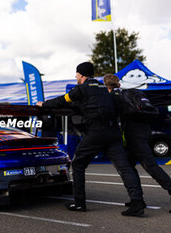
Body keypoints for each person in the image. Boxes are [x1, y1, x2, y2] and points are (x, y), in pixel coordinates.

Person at [37, 62, 145, 216]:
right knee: (125, 167)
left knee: (78, 164)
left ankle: (79, 203)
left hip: (97, 131)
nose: (75, 76)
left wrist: (44, 105)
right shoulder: (103, 88)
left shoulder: (81, 88)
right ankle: (138, 203)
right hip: (113, 132)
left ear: (81, 75)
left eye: (76, 74)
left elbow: (62, 100)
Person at [103, 74, 171, 201]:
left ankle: (138, 200)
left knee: (150, 166)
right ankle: (137, 200)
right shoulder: (130, 93)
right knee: (128, 166)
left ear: (106, 86)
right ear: (119, 84)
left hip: (134, 136)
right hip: (144, 132)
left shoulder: (113, 97)